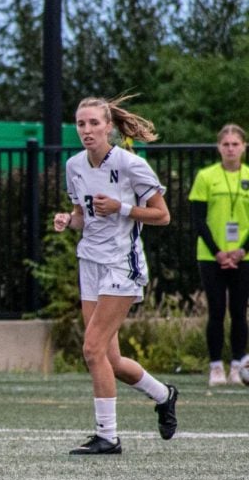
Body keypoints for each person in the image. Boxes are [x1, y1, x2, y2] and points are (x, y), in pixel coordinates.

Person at [52, 95, 178, 455]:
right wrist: (67, 220)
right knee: (111, 359)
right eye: (81, 124)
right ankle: (164, 395)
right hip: (89, 262)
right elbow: (82, 215)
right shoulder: (74, 165)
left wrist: (122, 207)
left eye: (94, 123)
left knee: (91, 349)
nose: (87, 130)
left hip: (122, 263)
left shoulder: (129, 164)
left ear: (109, 126)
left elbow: (163, 215)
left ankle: (107, 436)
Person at [187, 124, 249, 386]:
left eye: (236, 144)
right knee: (216, 310)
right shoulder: (206, 176)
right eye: (226, 144)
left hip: (243, 256)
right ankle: (215, 366)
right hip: (212, 255)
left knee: (238, 310)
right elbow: (198, 219)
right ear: (219, 147)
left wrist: (242, 249)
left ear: (244, 147)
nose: (231, 149)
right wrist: (218, 252)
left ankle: (237, 364)